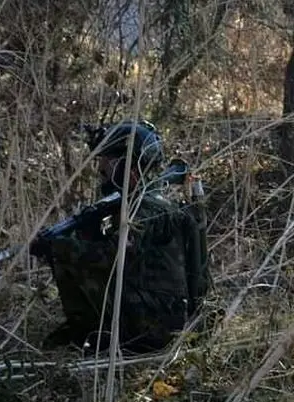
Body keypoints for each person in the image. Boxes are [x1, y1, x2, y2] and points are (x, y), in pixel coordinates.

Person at [30, 120, 207, 353]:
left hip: (159, 325)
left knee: (70, 257)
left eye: (108, 161)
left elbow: (112, 258)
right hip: (156, 312)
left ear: (127, 166)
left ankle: (92, 334)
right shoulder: (139, 203)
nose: (101, 169)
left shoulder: (146, 209)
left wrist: (58, 246)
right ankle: (90, 332)